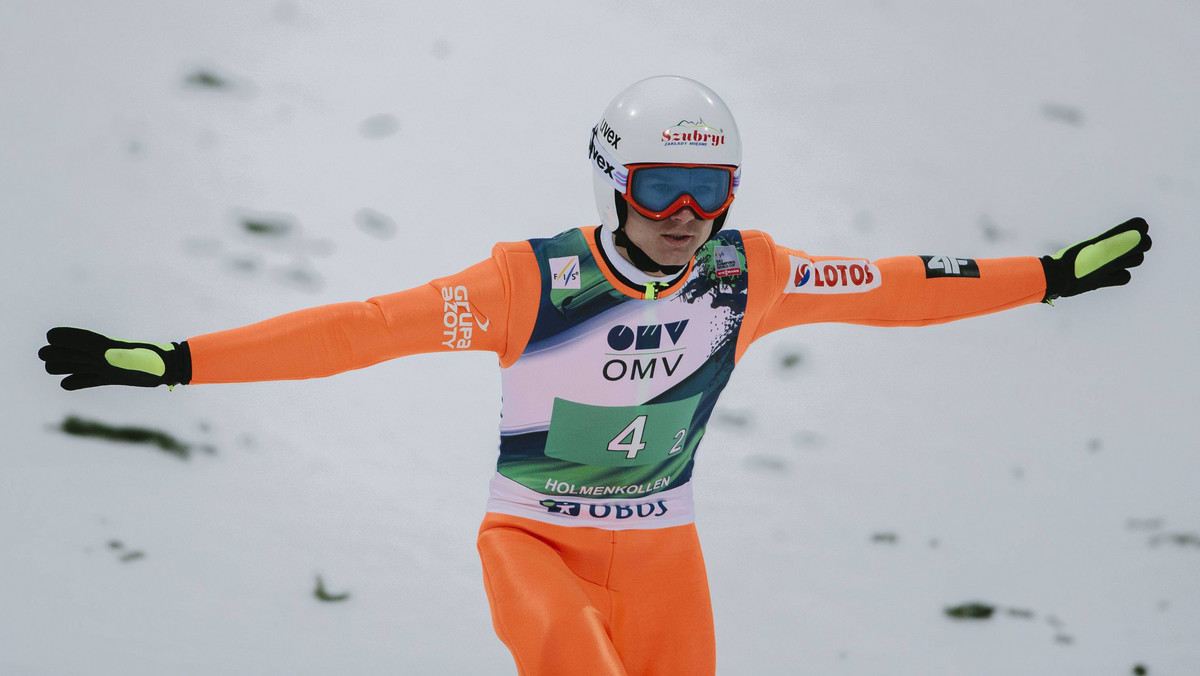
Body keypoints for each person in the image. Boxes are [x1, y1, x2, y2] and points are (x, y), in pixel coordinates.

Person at [39, 75, 1151, 675]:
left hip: (668, 553)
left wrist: (1046, 276)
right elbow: (360, 330)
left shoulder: (748, 274)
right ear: (614, 176)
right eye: (662, 183)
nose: (685, 215)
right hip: (535, 545)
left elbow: (899, 283)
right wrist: (178, 362)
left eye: (709, 188)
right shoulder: (532, 282)